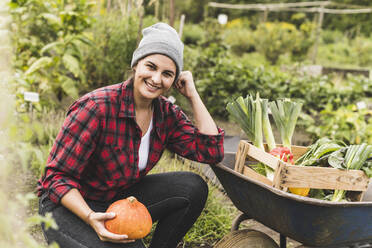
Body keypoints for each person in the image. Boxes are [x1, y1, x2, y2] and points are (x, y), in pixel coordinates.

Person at [37, 22, 224, 248]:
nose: (156, 79)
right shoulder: (97, 107)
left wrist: (193, 94)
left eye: (167, 74)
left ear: (174, 81)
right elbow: (56, 178)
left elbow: (211, 151)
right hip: (69, 205)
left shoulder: (165, 115)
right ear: (136, 64)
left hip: (115, 200)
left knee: (192, 187)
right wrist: (89, 217)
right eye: (151, 66)